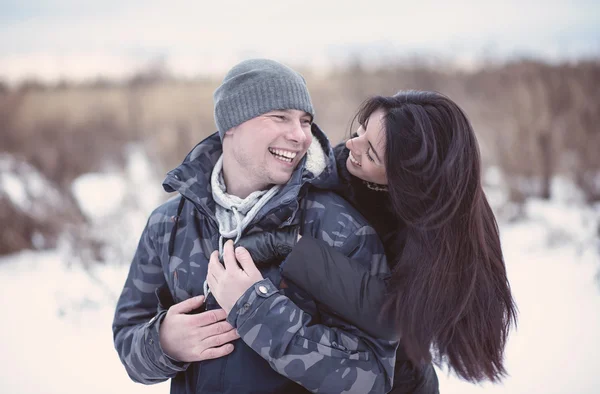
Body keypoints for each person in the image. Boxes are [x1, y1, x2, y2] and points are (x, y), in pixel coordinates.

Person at [112, 59, 397, 394]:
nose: (300, 135)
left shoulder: (340, 228)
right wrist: (163, 343)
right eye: (280, 117)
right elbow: (129, 337)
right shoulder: (167, 224)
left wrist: (260, 313)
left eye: (305, 121)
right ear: (232, 123)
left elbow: (372, 378)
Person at [236, 91, 518, 393]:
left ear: (406, 180)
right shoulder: (348, 168)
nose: (350, 147)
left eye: (370, 153)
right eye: (360, 131)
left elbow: (390, 316)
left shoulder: (442, 238)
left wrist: (292, 247)